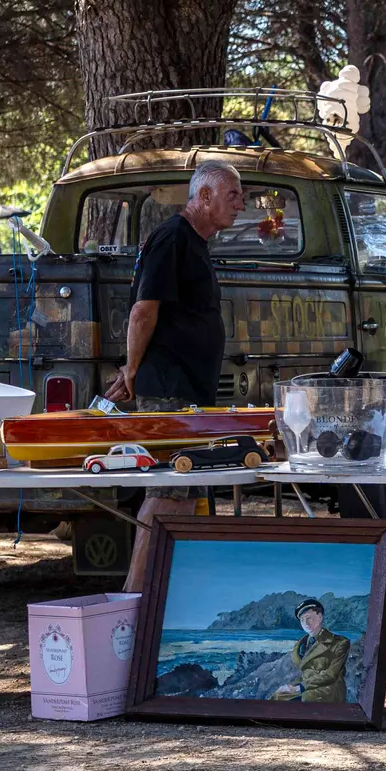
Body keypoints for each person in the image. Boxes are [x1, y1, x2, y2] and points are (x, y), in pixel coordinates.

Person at [106, 161, 246, 590]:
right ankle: (135, 597)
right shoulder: (171, 238)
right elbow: (143, 311)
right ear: (203, 197)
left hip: (190, 389)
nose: (241, 206)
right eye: (233, 196)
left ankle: (166, 596)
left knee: (186, 492)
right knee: (167, 492)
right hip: (169, 389)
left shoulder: (196, 244)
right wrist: (131, 368)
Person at [269, 598, 351, 703]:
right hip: (307, 688)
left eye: (309, 618)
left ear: (320, 617)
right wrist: (291, 687)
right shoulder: (301, 645)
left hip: (328, 691)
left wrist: (299, 687)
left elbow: (330, 674)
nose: (306, 623)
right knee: (276, 697)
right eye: (302, 620)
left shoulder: (339, 643)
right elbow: (306, 673)